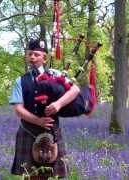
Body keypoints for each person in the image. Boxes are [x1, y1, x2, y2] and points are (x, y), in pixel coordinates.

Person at [9, 39, 80, 179]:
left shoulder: (55, 74)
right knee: (30, 176)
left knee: (53, 176)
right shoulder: (20, 81)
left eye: (36, 54)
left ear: (44, 58)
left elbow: (75, 90)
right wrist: (38, 121)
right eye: (29, 54)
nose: (32, 57)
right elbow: (18, 109)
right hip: (28, 131)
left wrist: (58, 104)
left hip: (52, 133)